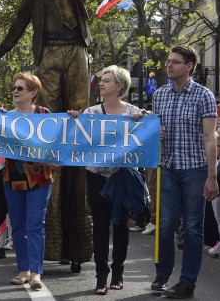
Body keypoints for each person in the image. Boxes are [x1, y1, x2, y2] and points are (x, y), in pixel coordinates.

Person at [0, 0, 145, 270]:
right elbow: (19, 22)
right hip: (47, 55)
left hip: (76, 52)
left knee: (76, 126)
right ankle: (50, 233)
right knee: (51, 128)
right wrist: (3, 47)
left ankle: (76, 240)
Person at [150, 45, 218, 299]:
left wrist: (212, 177)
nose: (169, 65)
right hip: (168, 167)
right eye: (168, 61)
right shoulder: (159, 95)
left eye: (176, 62)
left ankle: (187, 282)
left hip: (195, 169)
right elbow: (153, 132)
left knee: (192, 227)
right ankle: (162, 272)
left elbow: (210, 138)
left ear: (189, 66)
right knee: (165, 224)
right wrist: (157, 132)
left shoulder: (203, 95)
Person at [81, 66, 145, 295]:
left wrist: (142, 121)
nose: (101, 84)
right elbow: (75, 135)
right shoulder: (90, 112)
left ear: (119, 87)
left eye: (107, 80)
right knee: (100, 224)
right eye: (101, 80)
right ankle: (100, 276)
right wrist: (72, 119)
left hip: (123, 177)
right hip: (96, 175)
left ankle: (118, 273)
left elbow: (151, 136)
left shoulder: (134, 112)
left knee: (120, 225)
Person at [3, 72, 55, 291]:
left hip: (40, 178)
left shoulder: (45, 115)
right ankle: (23, 269)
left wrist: (58, 159)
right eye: (14, 88)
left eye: (20, 88)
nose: (15, 91)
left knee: (35, 225)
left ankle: (35, 273)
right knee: (18, 226)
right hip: (12, 177)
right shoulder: (5, 117)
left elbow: (57, 142)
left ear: (33, 93)